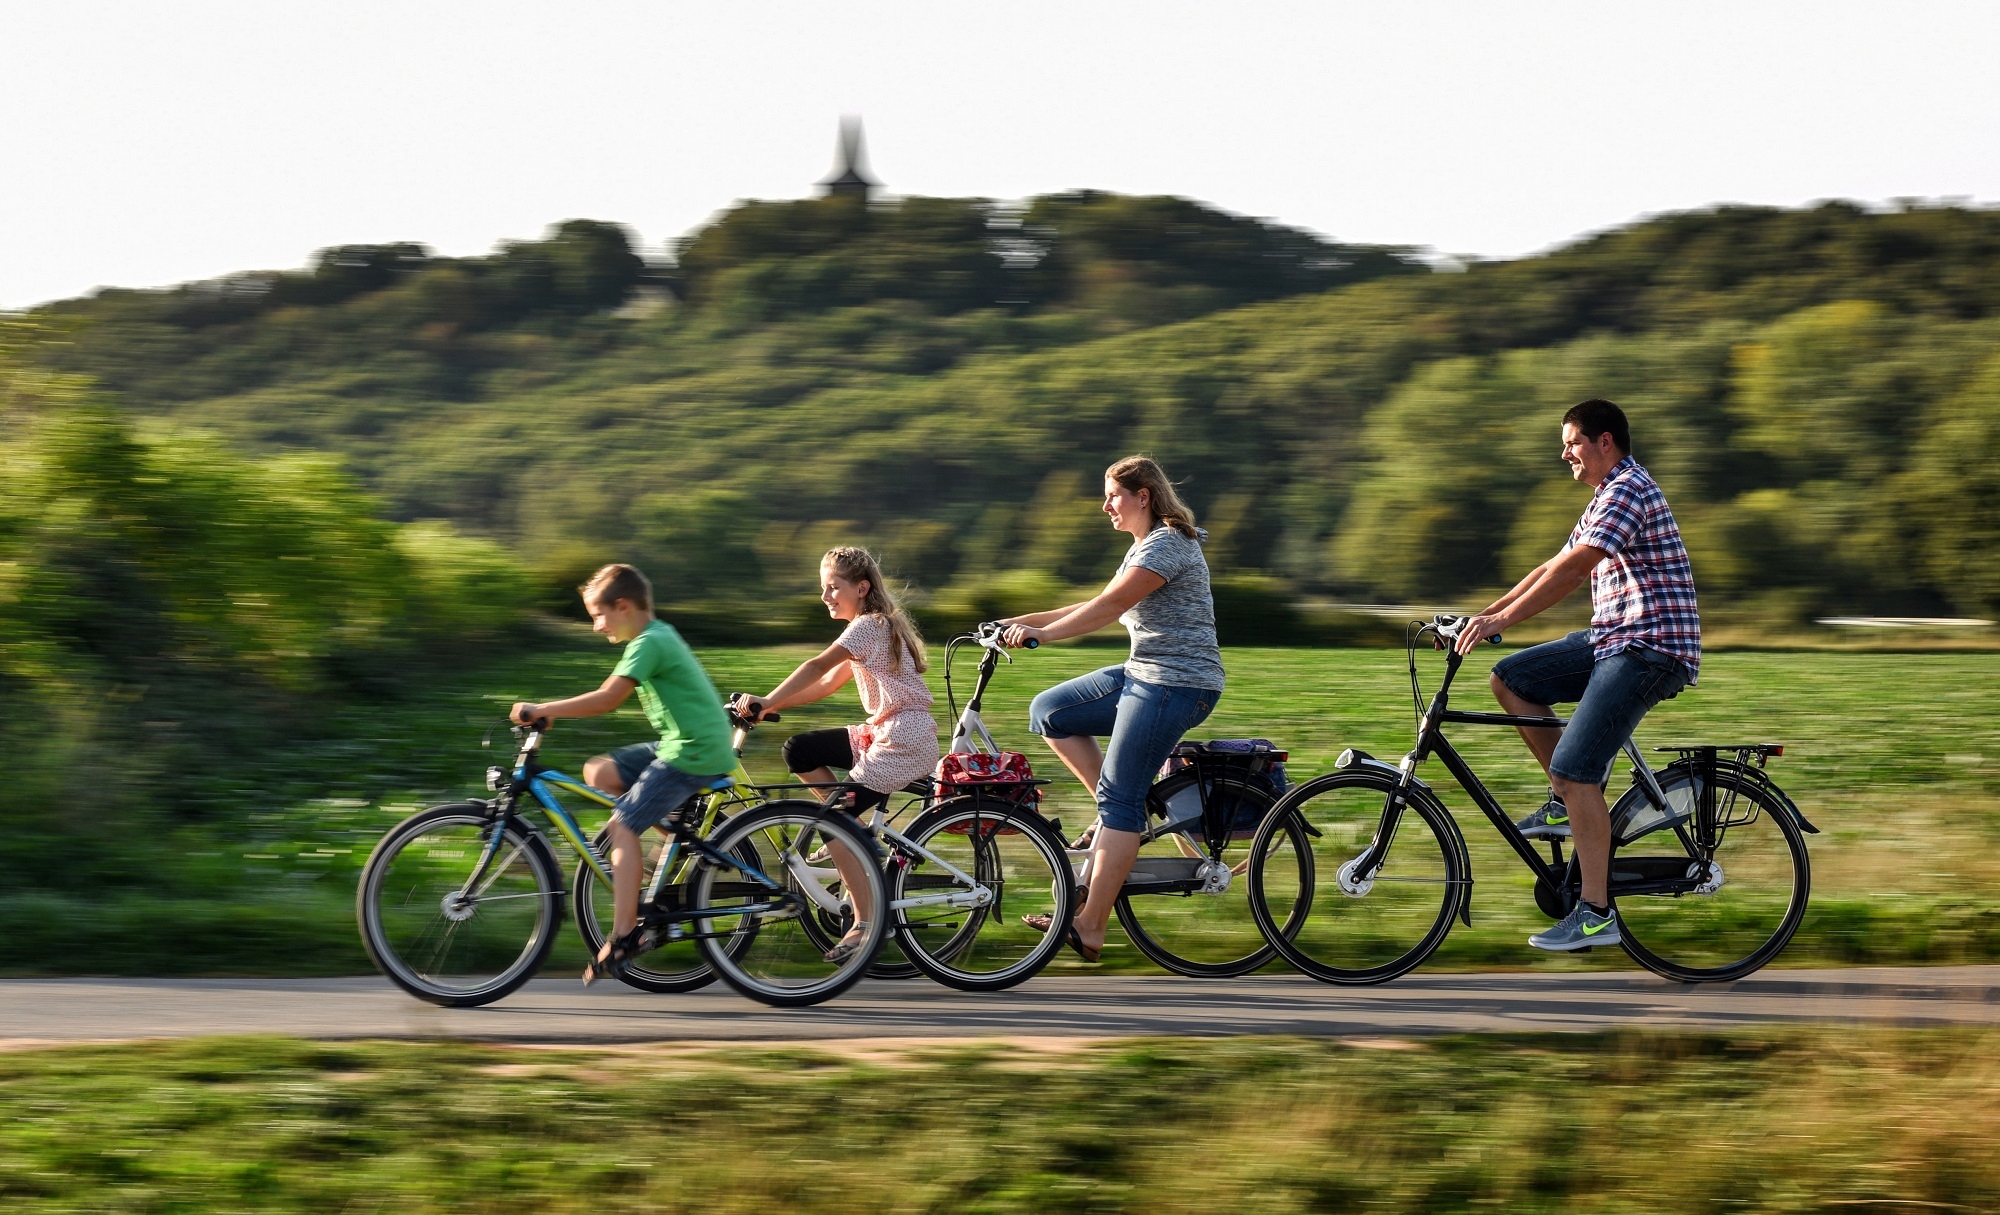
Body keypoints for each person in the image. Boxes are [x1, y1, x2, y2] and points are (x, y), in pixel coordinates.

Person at [1453, 398, 1700, 951]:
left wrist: (1503, 619)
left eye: (1573, 442)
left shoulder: (1626, 490)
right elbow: (1549, 565)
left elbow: (1573, 571)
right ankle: (1568, 801)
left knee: (1577, 768)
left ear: (1604, 441)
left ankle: (1595, 914)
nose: (1564, 453)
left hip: (1649, 647)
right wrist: (1485, 617)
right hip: (1613, 639)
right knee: (1512, 680)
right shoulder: (1602, 498)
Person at [1000, 455, 1224, 962]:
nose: (1105, 506)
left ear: (1143, 495)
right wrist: (1013, 622)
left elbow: (1106, 610)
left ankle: (1092, 925)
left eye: (1113, 496)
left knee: (1118, 803)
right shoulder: (1141, 548)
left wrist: (1043, 636)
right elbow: (1088, 604)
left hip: (1178, 682)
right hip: (1145, 673)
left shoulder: (1168, 544)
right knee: (1050, 711)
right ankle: (1125, 808)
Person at [511, 563, 734, 983]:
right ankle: (670, 851)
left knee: (621, 826)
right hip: (682, 743)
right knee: (599, 771)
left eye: (598, 615)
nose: (596, 627)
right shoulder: (655, 635)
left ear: (623, 606)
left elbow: (607, 699)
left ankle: (625, 933)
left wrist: (543, 709)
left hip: (693, 751)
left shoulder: (649, 641)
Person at [735, 547, 939, 962]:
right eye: (823, 588)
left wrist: (767, 697)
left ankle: (866, 924)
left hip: (903, 738)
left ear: (861, 588)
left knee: (834, 823)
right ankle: (856, 837)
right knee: (800, 749)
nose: (826, 596)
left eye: (834, 587)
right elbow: (827, 684)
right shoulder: (872, 628)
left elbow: (815, 664)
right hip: (887, 731)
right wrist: (770, 709)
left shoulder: (869, 626)